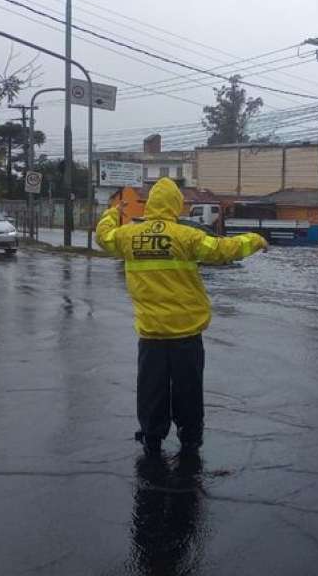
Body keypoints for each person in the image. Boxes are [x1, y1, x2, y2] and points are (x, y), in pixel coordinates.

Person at [96, 177, 267, 456]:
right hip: (186, 332)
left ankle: (152, 436)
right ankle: (190, 438)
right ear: (175, 204)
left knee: (151, 387)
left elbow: (104, 237)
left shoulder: (129, 236)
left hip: (151, 332)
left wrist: (112, 212)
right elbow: (224, 250)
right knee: (188, 388)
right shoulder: (186, 236)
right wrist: (254, 239)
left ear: (150, 205)